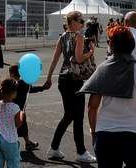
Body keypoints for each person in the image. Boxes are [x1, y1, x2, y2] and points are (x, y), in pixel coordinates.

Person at [84, 25, 136, 168]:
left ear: (111, 45)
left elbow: (92, 106)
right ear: (131, 46)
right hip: (134, 134)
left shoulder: (102, 69)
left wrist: (95, 133)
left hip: (106, 134)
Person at [43, 10, 97, 163]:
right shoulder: (79, 37)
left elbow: (54, 60)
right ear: (73, 22)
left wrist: (48, 78)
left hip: (63, 78)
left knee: (68, 115)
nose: (82, 24)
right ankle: (81, 152)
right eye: (80, 21)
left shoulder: (62, 37)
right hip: (74, 79)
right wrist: (90, 52)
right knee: (77, 116)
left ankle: (54, 148)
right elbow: (79, 58)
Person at [0, 78, 23, 168]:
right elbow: (18, 124)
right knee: (13, 163)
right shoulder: (15, 107)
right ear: (13, 93)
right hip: (10, 141)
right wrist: (22, 115)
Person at [8, 64, 45, 151]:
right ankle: (25, 143)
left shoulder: (13, 84)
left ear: (12, 74)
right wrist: (42, 88)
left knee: (16, 127)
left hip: (13, 109)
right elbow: (31, 89)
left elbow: (30, 89)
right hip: (19, 110)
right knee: (20, 126)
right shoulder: (22, 83)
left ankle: (27, 143)